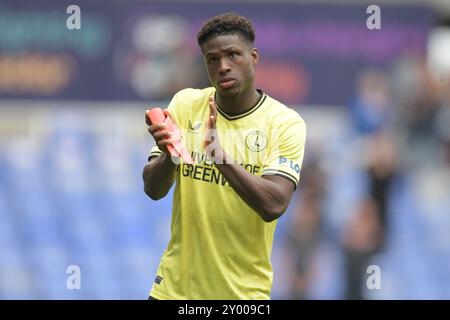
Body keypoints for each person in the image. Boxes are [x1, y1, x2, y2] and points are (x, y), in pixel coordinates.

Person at [142, 12, 306, 300]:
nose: (223, 67)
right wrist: (169, 156)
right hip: (173, 292)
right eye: (212, 59)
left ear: (253, 56)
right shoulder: (185, 104)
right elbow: (153, 189)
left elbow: (274, 204)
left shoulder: (284, 123)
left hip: (241, 296)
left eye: (233, 55)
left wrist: (221, 159)